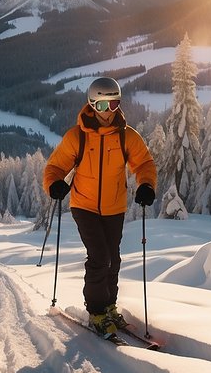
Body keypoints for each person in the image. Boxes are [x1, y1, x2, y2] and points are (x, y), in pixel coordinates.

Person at [43, 77, 157, 335]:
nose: (108, 113)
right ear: (91, 105)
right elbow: (55, 167)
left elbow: (144, 164)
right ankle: (96, 310)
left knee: (113, 259)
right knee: (99, 257)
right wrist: (55, 184)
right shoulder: (77, 137)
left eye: (113, 105)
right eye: (102, 106)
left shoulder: (127, 137)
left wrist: (146, 185)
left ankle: (109, 306)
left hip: (114, 207)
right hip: (84, 206)